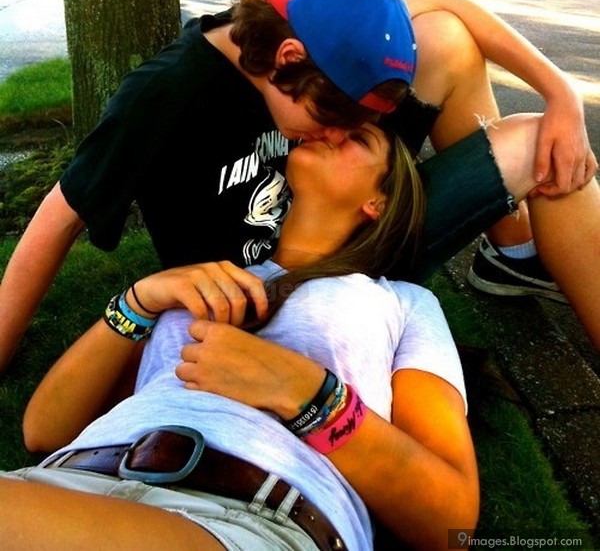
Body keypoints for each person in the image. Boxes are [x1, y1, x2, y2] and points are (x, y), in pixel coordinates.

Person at [0, 0, 599, 374]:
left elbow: (450, 7)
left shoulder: (317, 33)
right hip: (266, 302)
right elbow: (59, 216)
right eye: (331, 118)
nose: (338, 137)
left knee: (469, 60)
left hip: (360, 239)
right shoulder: (166, 93)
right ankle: (518, 254)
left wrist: (561, 96)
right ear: (289, 57)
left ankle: (514, 253)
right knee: (536, 142)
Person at [0, 123, 481, 551]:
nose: (329, 129)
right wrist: (140, 300)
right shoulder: (211, 276)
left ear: (378, 202)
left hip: (256, 515)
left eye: (358, 137)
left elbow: (451, 521)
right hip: (69, 482)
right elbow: (44, 430)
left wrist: (306, 393)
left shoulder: (403, 302)